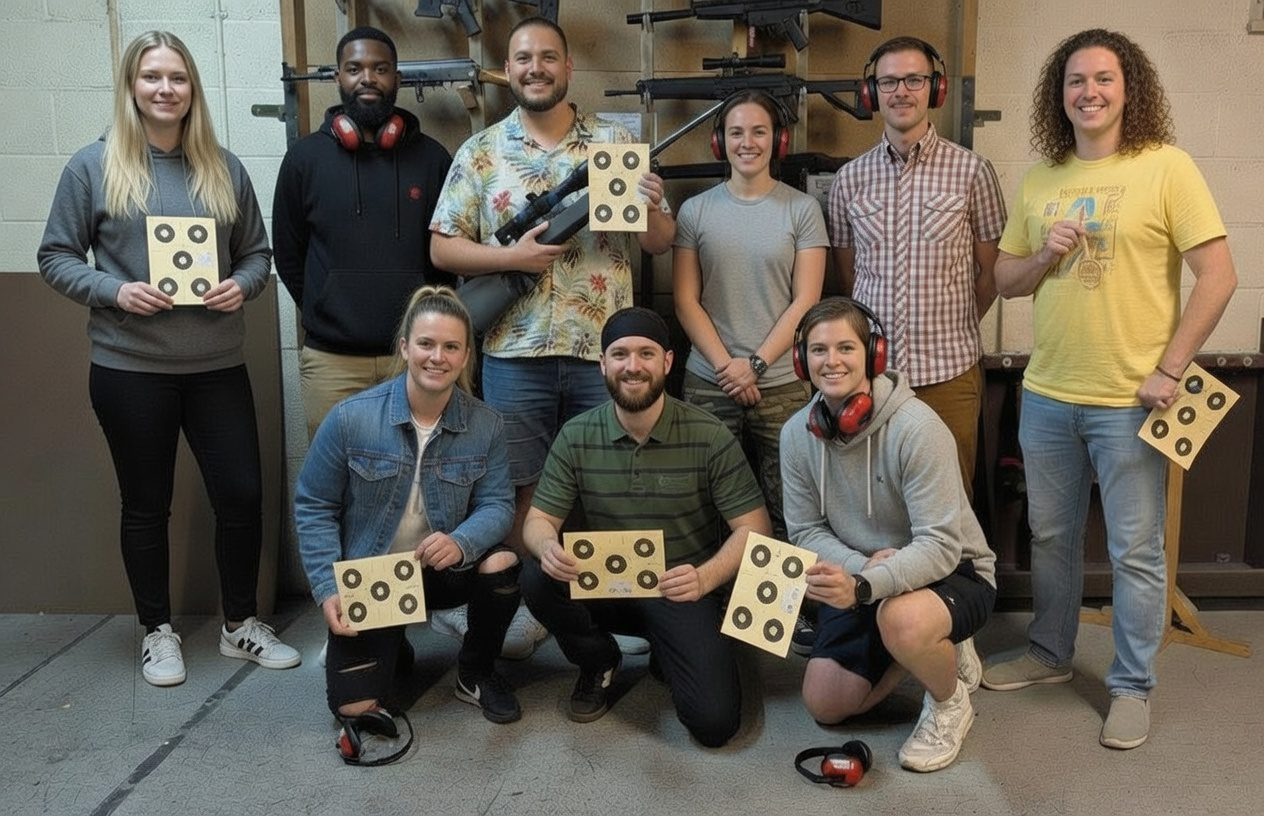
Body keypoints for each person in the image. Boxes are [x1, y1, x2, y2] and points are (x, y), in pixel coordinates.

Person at [980, 29, 1237, 751]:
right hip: (1049, 394)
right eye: (1074, 82)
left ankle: (1131, 686)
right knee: (1052, 537)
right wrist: (1043, 255)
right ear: (1057, 96)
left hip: (1133, 401)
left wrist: (1170, 369)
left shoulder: (1166, 167)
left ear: (1130, 89)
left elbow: (1218, 277)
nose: (1088, 92)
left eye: (1102, 79)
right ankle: (1049, 655)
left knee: (1135, 550)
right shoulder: (1042, 178)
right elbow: (1004, 281)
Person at [36, 30, 299, 687]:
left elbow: (258, 256)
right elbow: (56, 256)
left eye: (177, 78)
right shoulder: (92, 166)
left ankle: (241, 624)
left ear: (192, 91)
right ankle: (158, 633)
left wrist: (243, 283)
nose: (165, 89)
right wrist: (113, 288)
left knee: (241, 494)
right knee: (146, 504)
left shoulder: (223, 167)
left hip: (215, 364)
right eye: (151, 77)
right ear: (131, 87)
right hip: (130, 367)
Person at [429, 16, 675, 657]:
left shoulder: (613, 143)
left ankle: (621, 611)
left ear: (568, 69)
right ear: (507, 71)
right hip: (516, 352)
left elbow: (658, 242)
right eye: (522, 58)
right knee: (524, 488)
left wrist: (651, 201)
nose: (535, 68)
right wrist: (511, 260)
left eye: (547, 58)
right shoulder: (481, 152)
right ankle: (534, 603)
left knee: (617, 482)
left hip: (607, 356)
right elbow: (442, 247)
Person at [520, 308, 771, 748]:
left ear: (668, 362)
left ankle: (673, 648)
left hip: (681, 589)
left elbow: (755, 529)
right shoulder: (576, 435)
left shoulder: (709, 435)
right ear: (602, 364)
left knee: (714, 725)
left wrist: (704, 578)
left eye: (645, 354)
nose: (632, 366)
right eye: (619, 354)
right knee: (535, 575)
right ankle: (598, 659)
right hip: (603, 583)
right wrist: (546, 547)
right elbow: (538, 522)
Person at [296, 286, 523, 752]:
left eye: (451, 347)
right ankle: (391, 642)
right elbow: (314, 505)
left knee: (501, 565)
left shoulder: (487, 424)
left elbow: (499, 504)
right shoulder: (350, 419)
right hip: (374, 577)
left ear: (464, 357)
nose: (436, 357)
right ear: (405, 347)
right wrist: (327, 588)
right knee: (357, 710)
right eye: (426, 344)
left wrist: (461, 540)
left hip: (445, 571)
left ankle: (475, 670)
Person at [780, 297, 996, 772]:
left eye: (844, 347)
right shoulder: (797, 435)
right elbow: (804, 530)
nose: (830, 361)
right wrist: (863, 571)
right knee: (825, 705)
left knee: (903, 619)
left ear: (873, 355)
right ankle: (922, 647)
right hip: (866, 575)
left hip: (953, 570)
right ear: (802, 361)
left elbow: (941, 545)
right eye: (818, 350)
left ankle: (948, 702)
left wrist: (864, 586)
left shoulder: (917, 427)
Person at [827, 37, 1006, 505]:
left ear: (935, 89)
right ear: (873, 91)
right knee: (876, 499)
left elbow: (991, 272)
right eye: (889, 81)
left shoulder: (973, 172)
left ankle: (950, 582)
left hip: (949, 373)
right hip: (872, 377)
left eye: (914, 79)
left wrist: (956, 322)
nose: (901, 90)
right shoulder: (849, 179)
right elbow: (850, 278)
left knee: (950, 503)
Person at [272, 26, 454, 440]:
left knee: (414, 482)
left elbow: (445, 260)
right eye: (354, 68)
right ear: (338, 77)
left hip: (413, 360)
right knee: (334, 484)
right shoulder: (304, 159)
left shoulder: (433, 159)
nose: (367, 78)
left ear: (398, 79)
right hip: (331, 364)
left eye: (380, 68)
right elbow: (288, 253)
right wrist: (328, 306)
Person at [672, 89, 827, 540]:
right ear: (720, 142)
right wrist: (729, 369)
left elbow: (806, 301)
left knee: (790, 503)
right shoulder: (695, 211)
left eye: (759, 131)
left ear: (777, 140)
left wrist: (754, 365)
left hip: (780, 382)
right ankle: (714, 600)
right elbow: (685, 301)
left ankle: (781, 607)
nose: (747, 142)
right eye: (735, 132)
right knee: (707, 503)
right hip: (709, 381)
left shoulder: (803, 210)